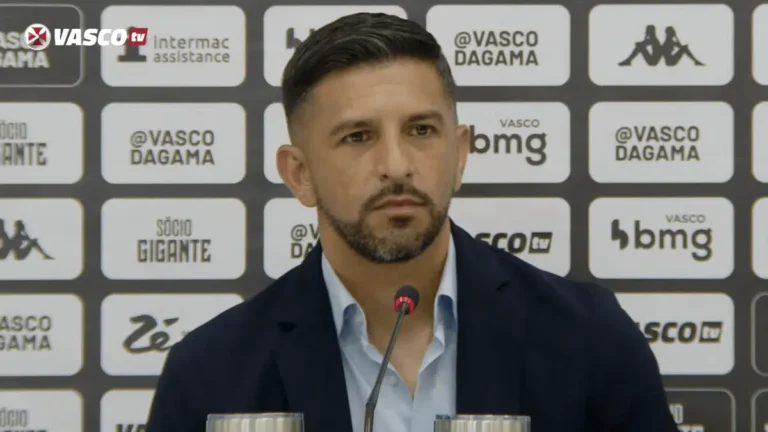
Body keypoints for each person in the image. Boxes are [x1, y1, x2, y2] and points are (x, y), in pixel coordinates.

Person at [146, 13, 678, 432]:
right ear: (300, 174)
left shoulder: (587, 338)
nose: (397, 165)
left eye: (421, 130)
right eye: (358, 137)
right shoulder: (211, 373)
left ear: (460, 154)